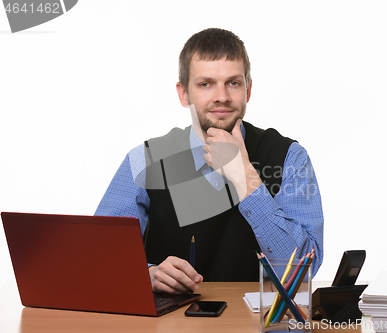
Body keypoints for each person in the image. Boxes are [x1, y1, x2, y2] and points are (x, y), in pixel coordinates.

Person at [95, 28, 323, 295]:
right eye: (205, 84)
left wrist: (245, 177)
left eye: (233, 83)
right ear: (184, 94)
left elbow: (302, 271)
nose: (222, 96)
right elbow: (100, 255)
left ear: (248, 90)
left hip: (257, 323)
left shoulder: (290, 157)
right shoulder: (144, 160)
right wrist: (147, 273)